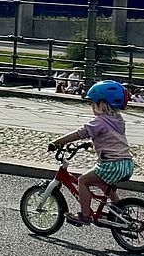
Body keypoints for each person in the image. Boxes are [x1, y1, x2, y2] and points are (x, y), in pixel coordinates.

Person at [50, 80, 134, 226]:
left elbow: (80, 133)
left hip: (111, 165)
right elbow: (111, 138)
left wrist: (58, 142)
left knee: (83, 181)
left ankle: (84, 215)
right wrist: (91, 143)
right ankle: (120, 209)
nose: (91, 107)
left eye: (92, 103)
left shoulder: (99, 122)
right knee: (101, 182)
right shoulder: (118, 120)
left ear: (101, 104)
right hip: (126, 164)